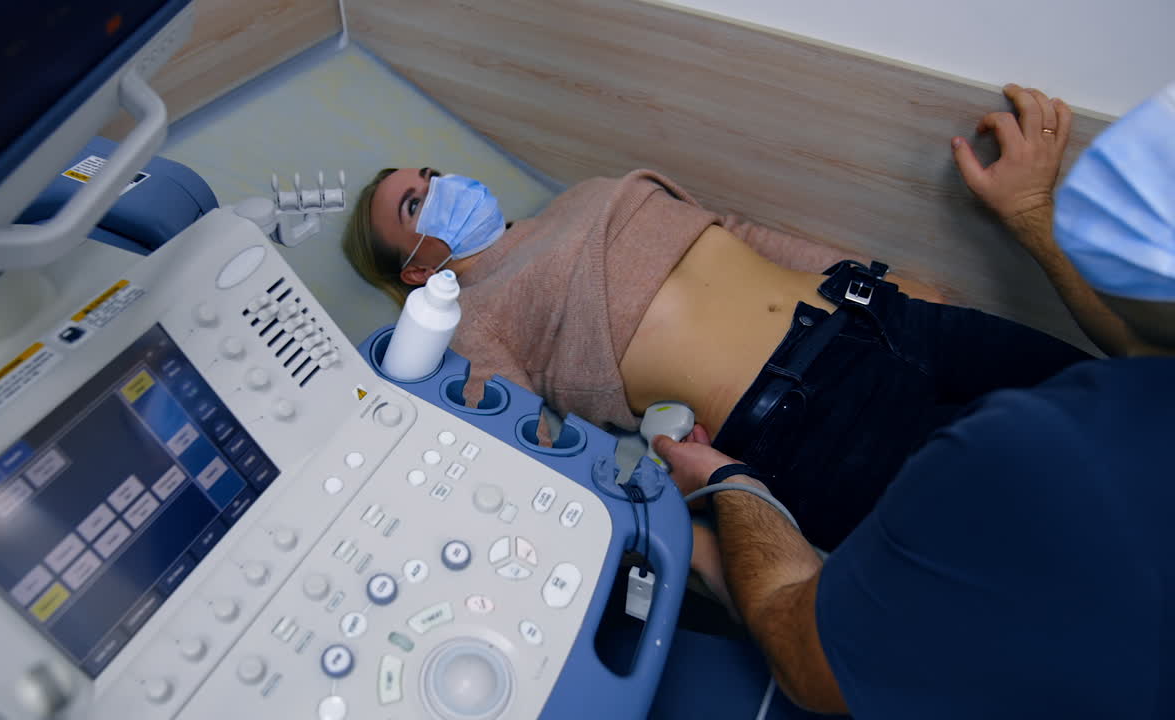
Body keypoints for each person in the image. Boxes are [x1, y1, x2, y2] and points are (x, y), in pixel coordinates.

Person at [342, 85, 1091, 551]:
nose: (444, 190)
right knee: (1040, 536)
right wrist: (690, 524)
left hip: (881, 318)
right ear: (416, 270)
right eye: (416, 205)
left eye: (432, 176)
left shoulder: (581, 196)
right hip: (804, 422)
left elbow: (735, 228)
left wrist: (879, 273)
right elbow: (532, 447)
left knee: (1107, 405)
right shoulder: (470, 320)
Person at [652, 82, 1175, 717]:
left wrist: (730, 490)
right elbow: (1151, 335)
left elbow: (810, 659)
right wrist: (1033, 214)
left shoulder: (1036, 459)